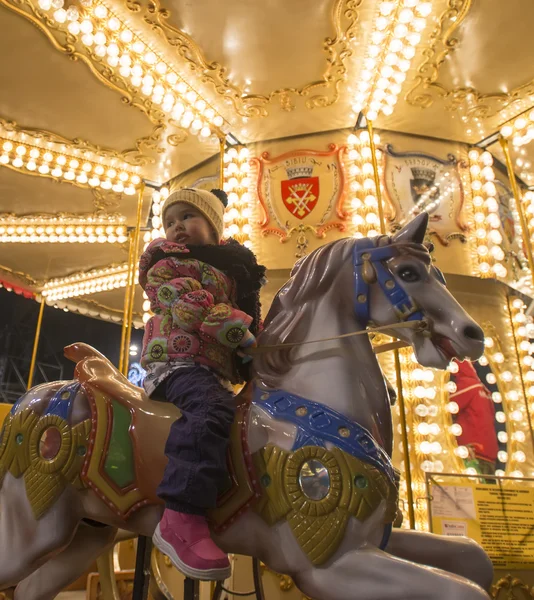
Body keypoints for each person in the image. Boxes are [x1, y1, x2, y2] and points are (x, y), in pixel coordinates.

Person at [138, 187, 266, 580]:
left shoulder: (228, 270)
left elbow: (242, 316)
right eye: (170, 220)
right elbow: (187, 304)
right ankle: (181, 515)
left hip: (210, 366)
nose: (176, 227)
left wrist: (256, 347)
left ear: (214, 225)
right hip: (175, 362)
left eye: (187, 218)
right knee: (210, 410)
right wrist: (239, 332)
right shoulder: (166, 263)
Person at [450, 359, 499, 480]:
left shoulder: (467, 385)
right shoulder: (485, 390)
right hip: (490, 452)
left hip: (473, 451)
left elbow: (444, 405)